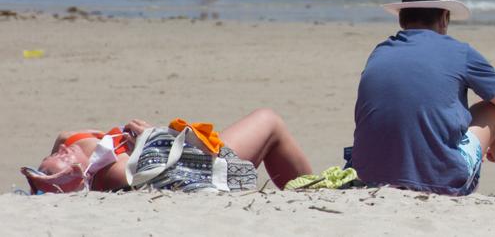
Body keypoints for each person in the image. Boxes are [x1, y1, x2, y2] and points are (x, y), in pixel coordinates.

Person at [351, 0, 495, 195]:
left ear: (401, 20)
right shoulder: (460, 53)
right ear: (444, 18)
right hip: (440, 181)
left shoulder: (379, 52)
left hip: (368, 176)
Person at [21, 108, 311, 193]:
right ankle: (308, 193)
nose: (61, 154)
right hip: (202, 165)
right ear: (76, 178)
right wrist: (150, 138)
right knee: (268, 121)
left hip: (192, 159)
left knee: (267, 126)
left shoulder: (67, 139)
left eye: (45, 164)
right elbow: (170, 170)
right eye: (58, 166)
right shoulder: (110, 172)